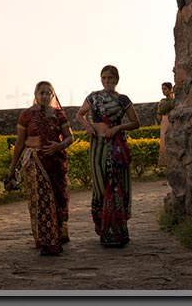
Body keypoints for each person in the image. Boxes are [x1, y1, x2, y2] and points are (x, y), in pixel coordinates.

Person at [6, 81, 74, 256]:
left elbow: (69, 138)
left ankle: (57, 234)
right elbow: (20, 142)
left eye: (47, 93)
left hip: (56, 164)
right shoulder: (26, 115)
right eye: (41, 92)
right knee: (42, 202)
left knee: (59, 200)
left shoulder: (58, 114)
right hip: (35, 163)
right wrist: (12, 169)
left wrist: (58, 147)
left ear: (52, 95)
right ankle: (47, 241)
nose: (44, 96)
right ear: (35, 95)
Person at [76, 65, 140, 247]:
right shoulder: (94, 97)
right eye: (104, 78)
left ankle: (117, 231)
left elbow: (136, 123)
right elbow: (80, 115)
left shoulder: (123, 99)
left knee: (116, 187)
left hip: (115, 147)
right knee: (100, 185)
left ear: (117, 80)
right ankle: (103, 226)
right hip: (97, 147)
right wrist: (88, 126)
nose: (107, 81)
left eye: (111, 78)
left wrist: (117, 128)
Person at [156, 82, 175, 167]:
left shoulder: (175, 101)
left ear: (171, 89)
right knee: (164, 143)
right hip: (164, 123)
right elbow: (158, 115)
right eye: (162, 89)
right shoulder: (162, 101)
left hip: (171, 122)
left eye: (165, 89)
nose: (163, 91)